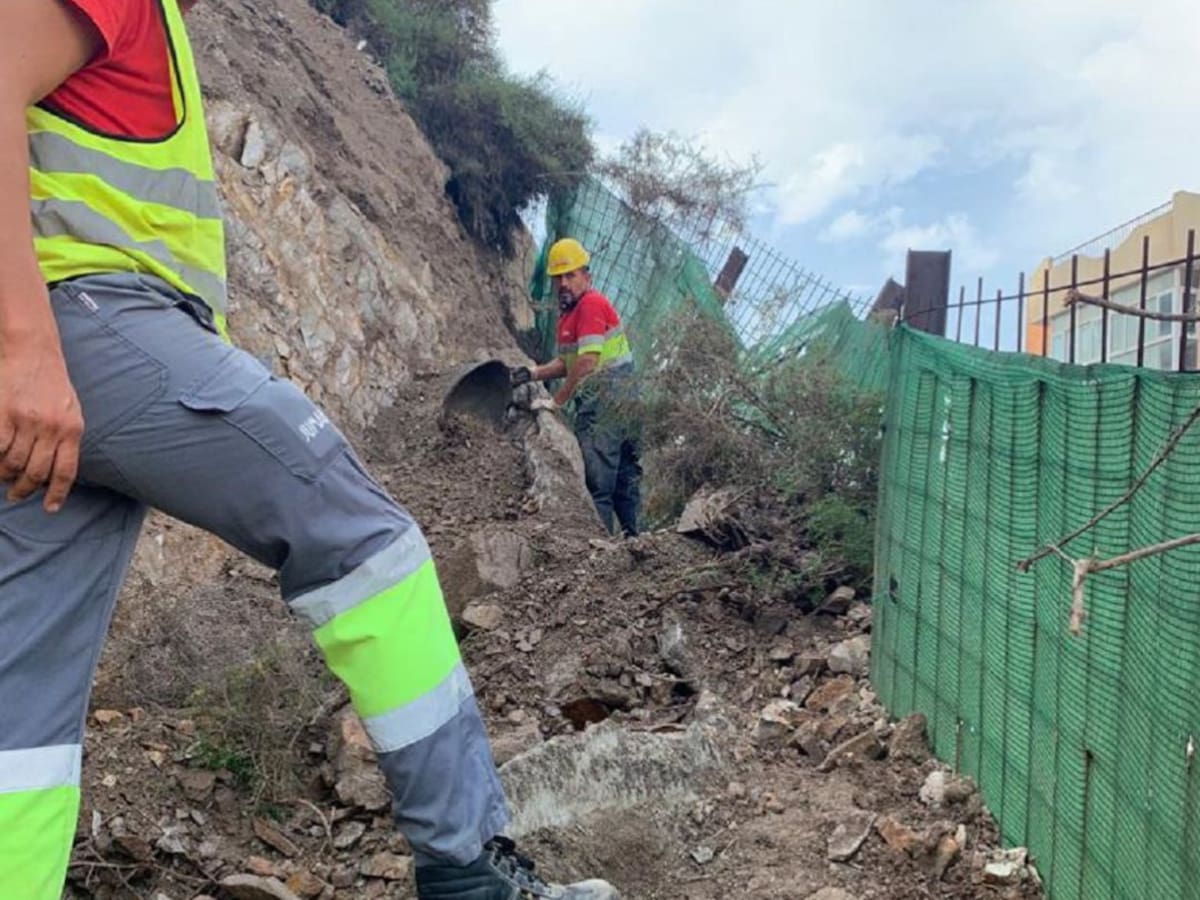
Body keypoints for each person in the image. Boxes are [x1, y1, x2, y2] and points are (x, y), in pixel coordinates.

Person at [0, 2, 619, 898]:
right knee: (368, 539)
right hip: (91, 321)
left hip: (66, 348)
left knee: (22, 709)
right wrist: (25, 348)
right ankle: (467, 871)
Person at [513, 238, 642, 537]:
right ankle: (637, 543)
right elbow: (566, 363)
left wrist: (557, 401)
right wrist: (530, 373)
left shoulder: (591, 304)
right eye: (559, 277)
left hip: (607, 397)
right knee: (625, 478)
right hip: (624, 398)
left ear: (587, 276)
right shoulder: (569, 316)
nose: (564, 283)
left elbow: (587, 363)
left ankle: (601, 551)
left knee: (599, 486)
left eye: (571, 275)